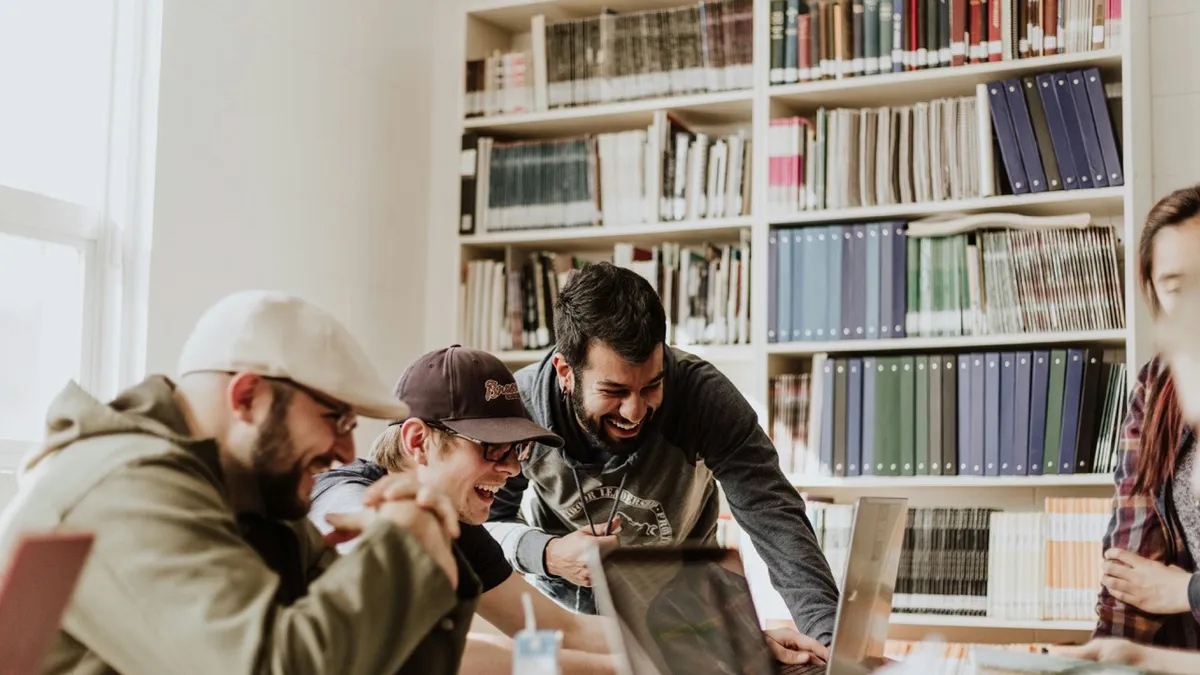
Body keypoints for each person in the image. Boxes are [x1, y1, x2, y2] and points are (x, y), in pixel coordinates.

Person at [0, 290, 477, 675]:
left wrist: (430, 549)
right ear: (247, 396)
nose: (347, 453)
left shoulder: (254, 499)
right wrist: (399, 547)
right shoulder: (125, 487)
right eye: (336, 419)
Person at [484, 261, 841, 659]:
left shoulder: (703, 396)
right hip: (566, 621)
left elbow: (774, 514)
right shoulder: (521, 407)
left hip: (685, 614)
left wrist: (831, 644)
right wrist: (547, 554)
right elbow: (486, 525)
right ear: (565, 371)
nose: (635, 411)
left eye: (651, 386)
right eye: (614, 391)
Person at [307, 345, 616, 675]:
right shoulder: (344, 495)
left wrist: (668, 637)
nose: (512, 468)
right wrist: (614, 669)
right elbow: (422, 654)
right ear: (417, 441)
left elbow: (564, 630)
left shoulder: (454, 523)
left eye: (518, 449)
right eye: (493, 448)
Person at [1054, 205, 1200, 671]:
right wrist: (1107, 658)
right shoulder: (1160, 386)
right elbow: (1131, 560)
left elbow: (1166, 588)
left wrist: (1185, 591)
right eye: (1178, 287)